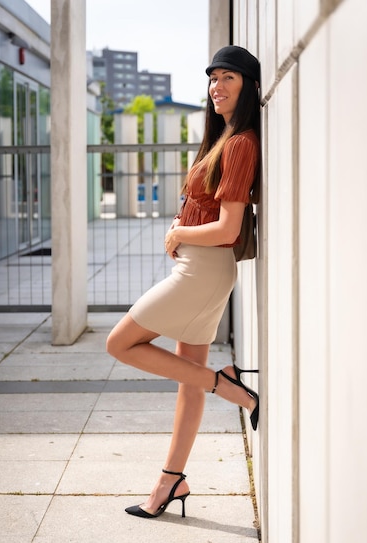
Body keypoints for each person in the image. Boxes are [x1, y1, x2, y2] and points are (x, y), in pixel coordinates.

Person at [106, 45, 261, 519]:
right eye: (213, 79)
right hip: (197, 269)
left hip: (203, 270)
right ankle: (171, 482)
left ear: (250, 86)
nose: (217, 87)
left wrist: (177, 232)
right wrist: (182, 231)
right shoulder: (223, 138)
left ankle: (231, 386)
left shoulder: (240, 144)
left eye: (228, 78)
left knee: (120, 343)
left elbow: (229, 229)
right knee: (185, 380)